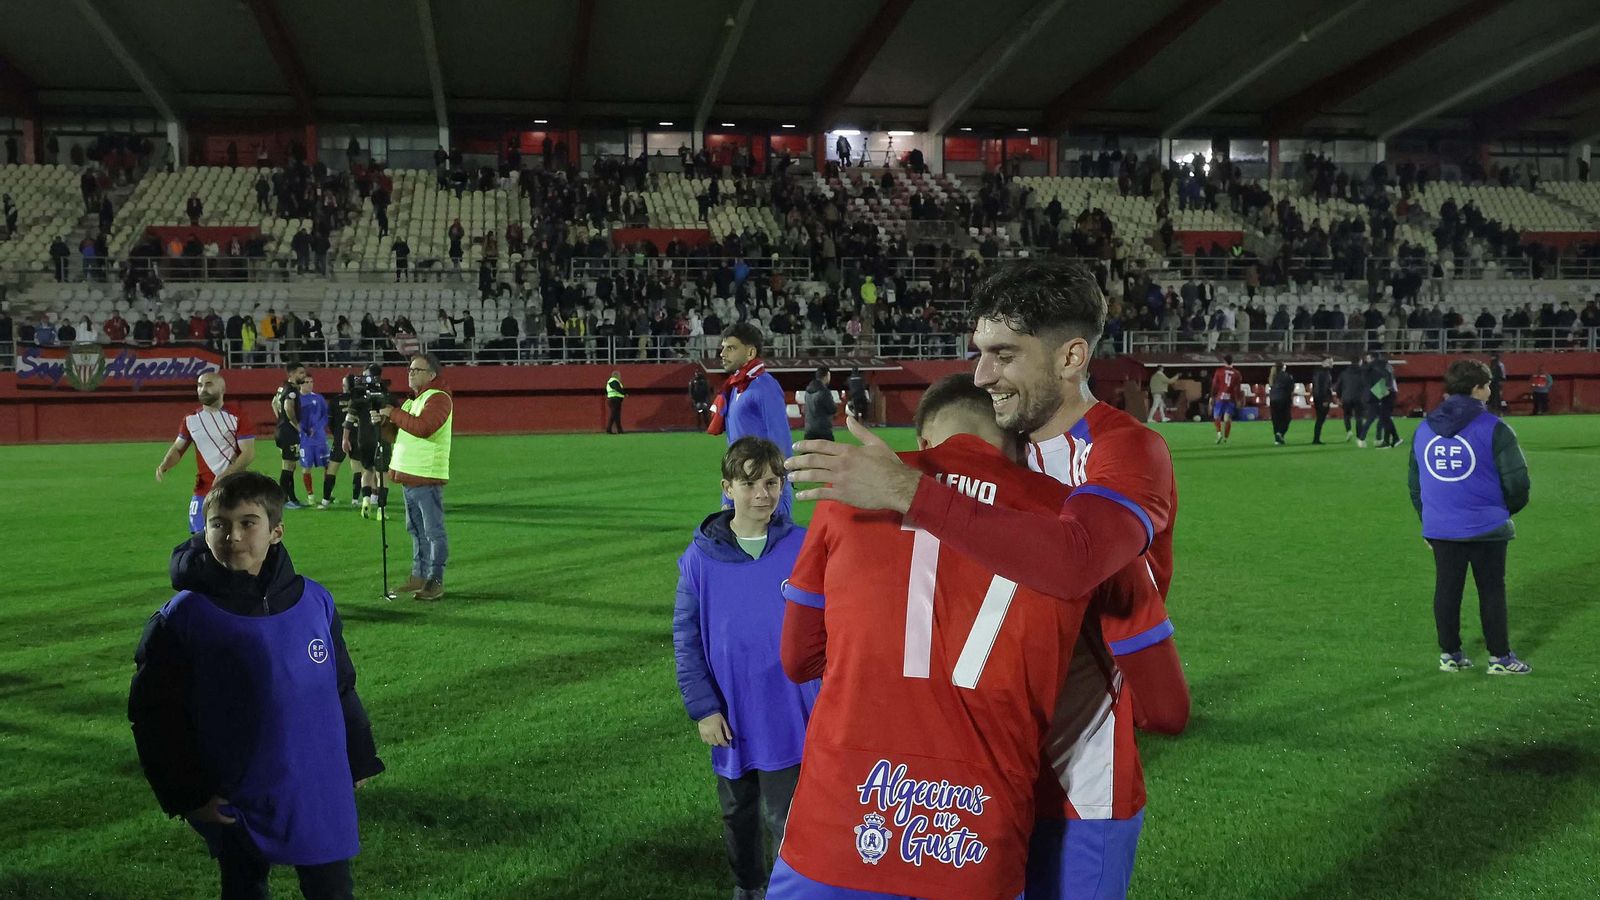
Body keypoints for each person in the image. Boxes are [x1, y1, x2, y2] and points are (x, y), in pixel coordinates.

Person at [785, 258, 1188, 900]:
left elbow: (1073, 557)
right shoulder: (1008, 453)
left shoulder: (1127, 450)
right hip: (970, 773)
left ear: (1070, 357)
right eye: (979, 354)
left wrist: (911, 488)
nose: (981, 375)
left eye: (1003, 355)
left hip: (1073, 781)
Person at [770, 375, 1093, 900]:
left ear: (922, 442)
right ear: (1019, 444)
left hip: (839, 822)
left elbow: (797, 657)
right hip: (978, 833)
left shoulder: (853, 490)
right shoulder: (1068, 516)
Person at [129, 472, 384, 900]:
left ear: (276, 532)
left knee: (332, 889)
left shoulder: (315, 600)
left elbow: (339, 685)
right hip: (236, 792)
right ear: (202, 529)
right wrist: (188, 794)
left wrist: (358, 757)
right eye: (220, 524)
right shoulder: (183, 617)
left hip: (313, 784)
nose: (233, 536)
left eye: (249, 523)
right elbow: (155, 715)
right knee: (245, 887)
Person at [674, 437, 819, 900]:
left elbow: (833, 622)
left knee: (786, 814)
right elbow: (687, 639)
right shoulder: (699, 559)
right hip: (732, 715)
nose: (763, 494)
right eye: (750, 483)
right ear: (727, 488)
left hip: (789, 712)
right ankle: (748, 886)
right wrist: (703, 709)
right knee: (738, 812)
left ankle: (785, 890)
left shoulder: (803, 546)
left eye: (773, 482)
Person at [1409, 360, 1532, 675]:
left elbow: (1416, 483)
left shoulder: (1423, 429)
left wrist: (1429, 521)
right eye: (1487, 385)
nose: (1490, 391)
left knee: (1446, 590)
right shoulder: (1495, 428)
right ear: (1477, 388)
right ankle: (1500, 658)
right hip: (1486, 527)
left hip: (1441, 527)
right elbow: (1517, 483)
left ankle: (1450, 655)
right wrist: (1501, 512)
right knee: (1491, 590)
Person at [377, 353, 453, 601]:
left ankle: (435, 580)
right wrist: (383, 422)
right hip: (409, 475)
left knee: (433, 532)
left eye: (416, 370)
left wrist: (393, 412)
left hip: (426, 475)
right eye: (409, 369)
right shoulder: (412, 401)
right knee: (416, 529)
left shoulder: (439, 398)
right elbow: (395, 436)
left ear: (431, 374)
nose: (410, 373)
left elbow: (424, 427)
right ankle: (419, 576)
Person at [708, 323, 794, 516]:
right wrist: (728, 494)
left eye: (730, 348)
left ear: (750, 353)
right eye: (722, 348)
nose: (722, 354)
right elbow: (734, 446)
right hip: (741, 483)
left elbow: (781, 438)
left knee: (775, 544)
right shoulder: (735, 388)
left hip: (766, 489)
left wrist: (778, 485)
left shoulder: (765, 386)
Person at [156, 373, 257, 533]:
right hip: (203, 490)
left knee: (231, 542)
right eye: (199, 385)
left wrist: (227, 473)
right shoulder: (190, 420)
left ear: (222, 388)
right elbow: (178, 448)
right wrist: (165, 464)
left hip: (234, 490)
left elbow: (248, 452)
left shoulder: (237, 416)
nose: (203, 389)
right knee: (199, 539)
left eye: (208, 384)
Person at [298, 371, 336, 509]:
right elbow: (295, 419)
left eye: (311, 382)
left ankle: (328, 493)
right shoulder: (297, 399)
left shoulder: (319, 398)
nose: (310, 385)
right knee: (306, 468)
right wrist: (304, 429)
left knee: (328, 467)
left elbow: (325, 416)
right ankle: (310, 496)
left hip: (320, 439)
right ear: (301, 384)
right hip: (305, 440)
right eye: (306, 382)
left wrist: (316, 427)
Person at [271, 363, 308, 507]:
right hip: (288, 432)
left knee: (290, 466)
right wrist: (295, 425)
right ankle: (283, 500)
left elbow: (273, 403)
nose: (303, 376)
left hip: (282, 430)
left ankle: (292, 499)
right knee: (288, 466)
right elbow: (288, 407)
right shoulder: (292, 390)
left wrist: (280, 420)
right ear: (292, 374)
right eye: (300, 373)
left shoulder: (282, 387)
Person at [1210, 353, 1241, 444]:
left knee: (1216, 416)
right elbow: (1237, 388)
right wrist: (1238, 399)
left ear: (1224, 361)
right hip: (1230, 398)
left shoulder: (1219, 371)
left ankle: (1219, 433)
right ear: (1232, 362)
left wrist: (1212, 396)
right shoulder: (1237, 373)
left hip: (1220, 396)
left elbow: (1214, 385)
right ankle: (1226, 438)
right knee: (1227, 418)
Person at [801, 366, 836, 441]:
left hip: (809, 429)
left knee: (809, 451)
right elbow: (832, 409)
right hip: (823, 430)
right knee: (829, 451)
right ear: (827, 375)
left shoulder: (808, 391)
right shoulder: (824, 392)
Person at [1337, 355, 1364, 442]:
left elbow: (1338, 386)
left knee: (1346, 416)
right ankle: (1359, 436)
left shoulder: (1344, 373)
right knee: (1359, 417)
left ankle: (1349, 431)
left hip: (1346, 398)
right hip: (1359, 398)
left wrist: (1339, 397)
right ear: (1360, 362)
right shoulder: (1363, 372)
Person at [1268, 362, 1294, 446]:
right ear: (1283, 367)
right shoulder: (1287, 376)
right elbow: (1290, 388)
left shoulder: (1272, 376)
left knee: (1276, 420)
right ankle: (1280, 433)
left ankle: (1277, 440)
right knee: (1287, 418)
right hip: (1283, 399)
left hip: (1273, 400)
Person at [1311, 356, 1334, 444]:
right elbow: (1324, 388)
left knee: (1320, 419)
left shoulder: (1317, 372)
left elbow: (1316, 387)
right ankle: (1316, 439)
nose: (1332, 364)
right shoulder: (1325, 373)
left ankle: (1316, 438)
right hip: (1322, 399)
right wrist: (1325, 399)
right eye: (1329, 362)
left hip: (1318, 398)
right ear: (1324, 362)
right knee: (1320, 419)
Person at [605, 370, 626, 434]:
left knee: (616, 415)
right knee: (614, 415)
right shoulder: (614, 380)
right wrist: (624, 393)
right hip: (615, 399)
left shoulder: (612, 381)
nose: (620, 377)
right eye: (619, 376)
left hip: (613, 399)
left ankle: (619, 430)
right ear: (616, 375)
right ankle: (609, 429)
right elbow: (617, 388)